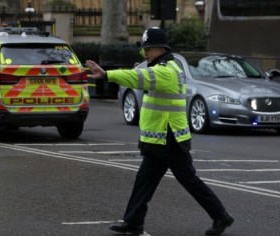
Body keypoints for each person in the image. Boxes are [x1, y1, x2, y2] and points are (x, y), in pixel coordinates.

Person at [86, 27, 234, 236]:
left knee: (188, 180)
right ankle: (133, 222)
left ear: (162, 49)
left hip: (170, 138)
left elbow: (138, 79)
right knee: (145, 180)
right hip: (160, 138)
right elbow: (142, 74)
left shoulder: (167, 71)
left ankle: (221, 216)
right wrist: (139, 68)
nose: (145, 53)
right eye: (144, 49)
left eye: (149, 49)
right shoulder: (162, 65)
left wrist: (107, 74)